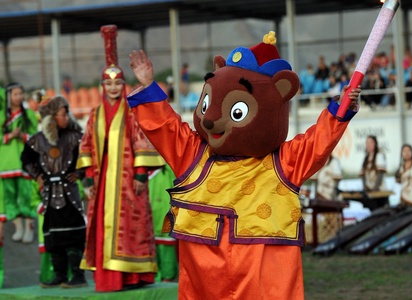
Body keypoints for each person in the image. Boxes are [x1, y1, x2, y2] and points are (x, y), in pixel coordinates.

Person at [127, 31, 360, 299]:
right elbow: (166, 127)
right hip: (205, 276)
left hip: (262, 274)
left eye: (236, 112)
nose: (212, 118)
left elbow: (317, 143)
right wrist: (148, 86)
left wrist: (340, 111)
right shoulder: (194, 155)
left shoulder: (282, 164)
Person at [76, 25, 165, 292]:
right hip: (103, 186)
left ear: (123, 84)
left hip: (128, 183)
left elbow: (142, 141)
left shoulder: (130, 111)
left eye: (118, 83)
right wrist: (88, 179)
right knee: (104, 229)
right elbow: (86, 146)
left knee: (130, 228)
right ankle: (108, 279)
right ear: (103, 85)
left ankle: (132, 277)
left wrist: (140, 174)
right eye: (109, 83)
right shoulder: (95, 114)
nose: (113, 87)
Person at [21, 95, 87, 288]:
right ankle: (60, 275)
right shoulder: (38, 140)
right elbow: (26, 159)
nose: (67, 117)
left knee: (74, 236)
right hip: (50, 194)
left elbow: (88, 157)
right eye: (62, 114)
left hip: (70, 194)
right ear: (51, 117)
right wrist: (38, 176)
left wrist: (80, 173)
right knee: (54, 237)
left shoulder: (75, 137)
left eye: (67, 113)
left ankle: (78, 276)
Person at [0, 83, 38, 244]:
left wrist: (21, 135)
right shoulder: (2, 116)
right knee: (10, 197)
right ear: (8, 97)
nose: (19, 97)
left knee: (26, 195)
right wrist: (9, 136)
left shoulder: (28, 115)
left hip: (24, 162)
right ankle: (18, 227)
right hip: (6, 163)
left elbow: (35, 138)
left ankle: (29, 226)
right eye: (15, 94)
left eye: (21, 94)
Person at [148, 164, 178, 282]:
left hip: (164, 216)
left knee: (166, 248)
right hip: (144, 220)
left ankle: (167, 277)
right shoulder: (138, 168)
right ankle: (153, 277)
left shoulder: (167, 167)